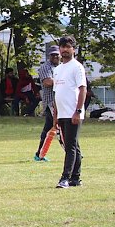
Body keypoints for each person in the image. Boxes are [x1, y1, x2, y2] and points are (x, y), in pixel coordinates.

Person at [52, 35, 87, 188]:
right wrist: (55, 116)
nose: (65, 50)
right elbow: (56, 93)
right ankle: (75, 178)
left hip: (73, 112)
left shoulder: (77, 67)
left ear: (73, 49)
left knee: (70, 146)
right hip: (62, 113)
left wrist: (78, 111)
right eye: (63, 47)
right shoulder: (58, 69)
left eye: (68, 47)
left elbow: (82, 89)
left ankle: (65, 178)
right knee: (72, 145)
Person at [33, 46, 60, 161]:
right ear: (49, 56)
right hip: (50, 103)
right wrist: (63, 81)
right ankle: (73, 152)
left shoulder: (61, 67)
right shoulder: (45, 67)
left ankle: (39, 154)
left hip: (59, 102)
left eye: (56, 54)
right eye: (52, 55)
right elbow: (47, 82)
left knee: (51, 128)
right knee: (59, 127)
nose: (55, 57)